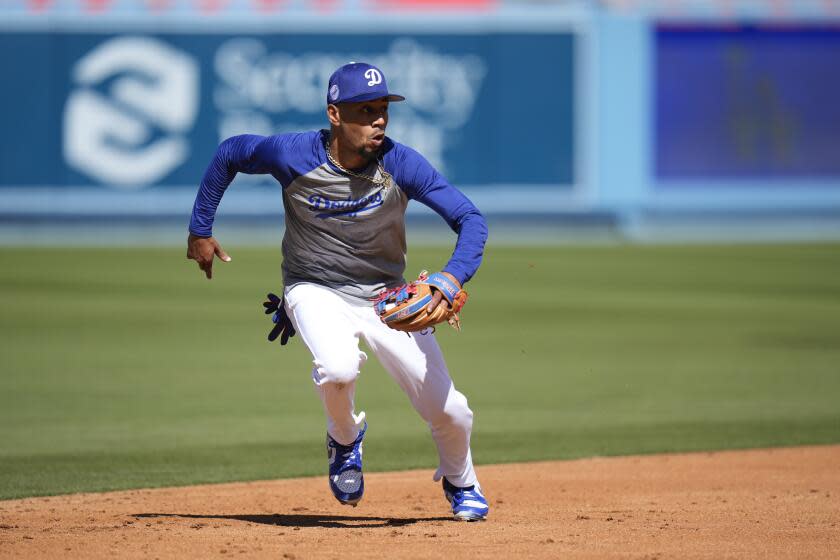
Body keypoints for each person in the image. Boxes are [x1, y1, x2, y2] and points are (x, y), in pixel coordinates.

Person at [186, 62, 490, 521]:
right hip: (314, 287)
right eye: (365, 111)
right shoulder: (293, 155)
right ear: (334, 114)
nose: (378, 120)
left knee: (452, 411)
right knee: (338, 368)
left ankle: (461, 480)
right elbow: (231, 152)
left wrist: (451, 277)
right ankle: (344, 441)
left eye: (382, 109)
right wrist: (199, 228)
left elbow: (471, 219)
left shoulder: (400, 162)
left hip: (387, 296)